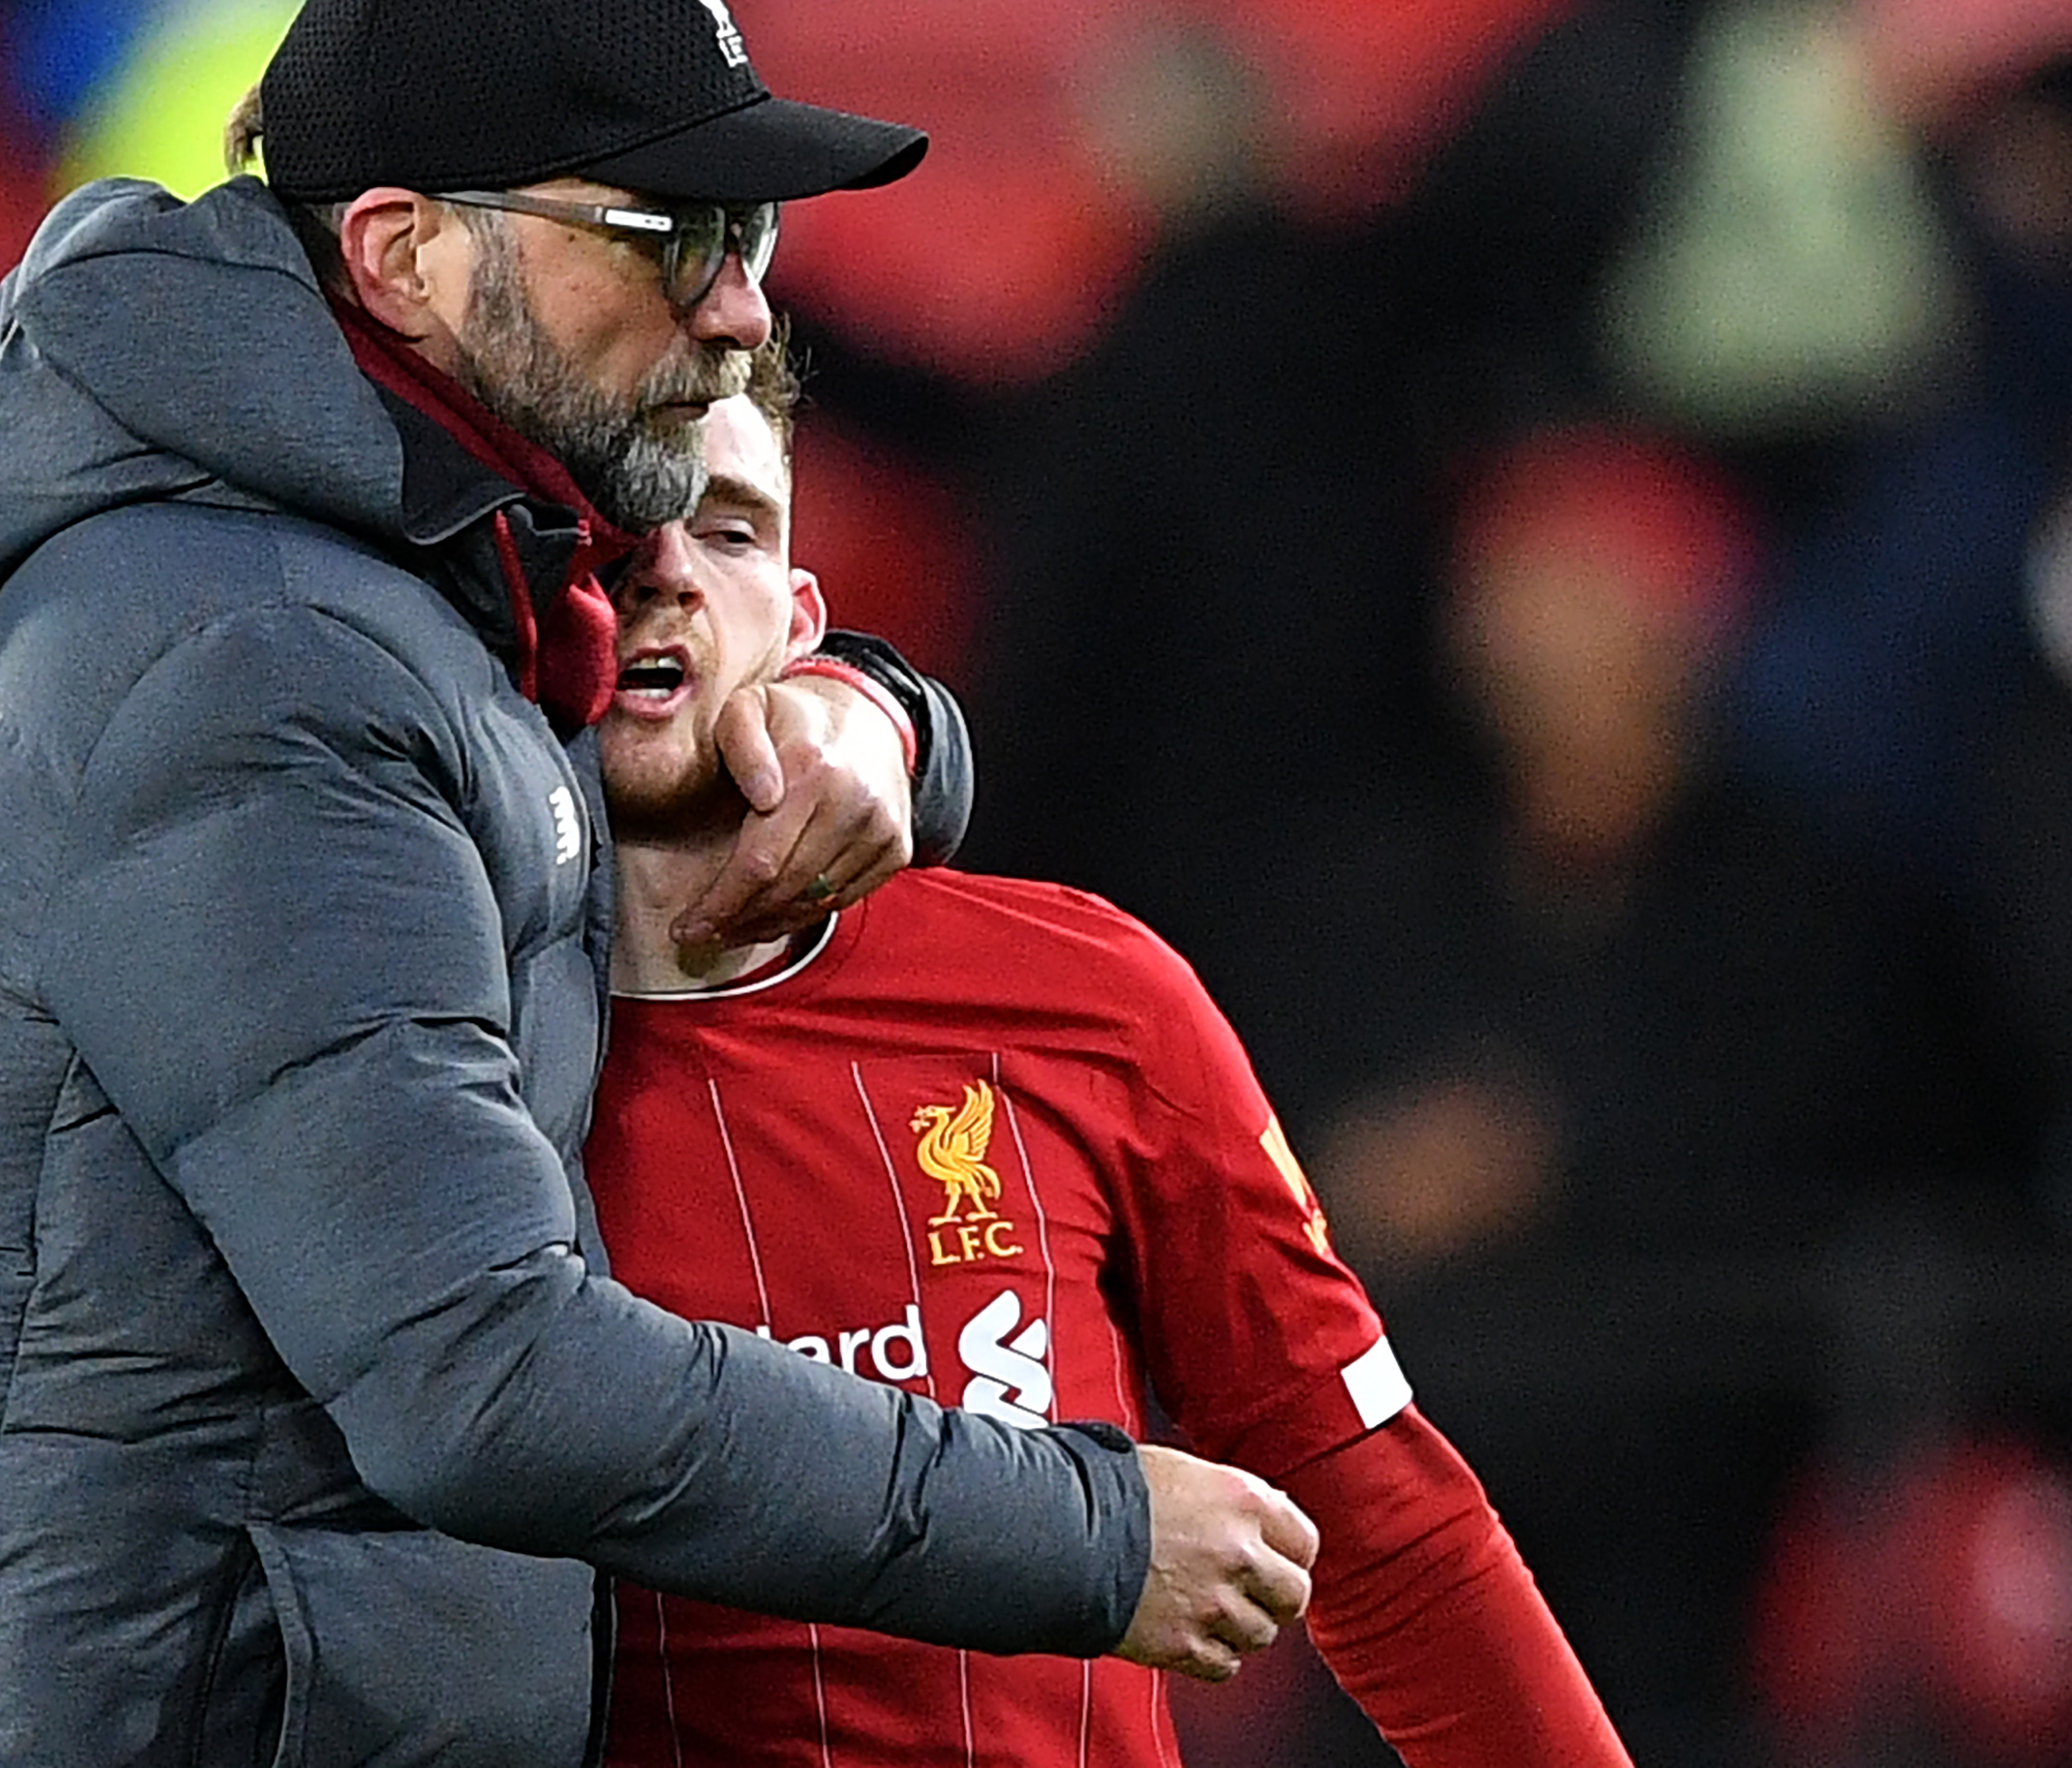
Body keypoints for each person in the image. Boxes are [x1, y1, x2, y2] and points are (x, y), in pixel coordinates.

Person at [0, 0, 1315, 1768]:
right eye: (664, 236)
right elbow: (476, 1374)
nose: (740, 307)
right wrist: (1083, 1529)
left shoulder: (409, 554)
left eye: (749, 233)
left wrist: (871, 717)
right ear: (400, 253)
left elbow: (636, 693)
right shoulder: (255, 656)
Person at [584, 357, 1633, 1765]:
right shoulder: (439, 1062)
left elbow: (1384, 1525)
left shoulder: (1082, 995)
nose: (668, 573)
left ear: (805, 621)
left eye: (729, 530)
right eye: (613, 520)